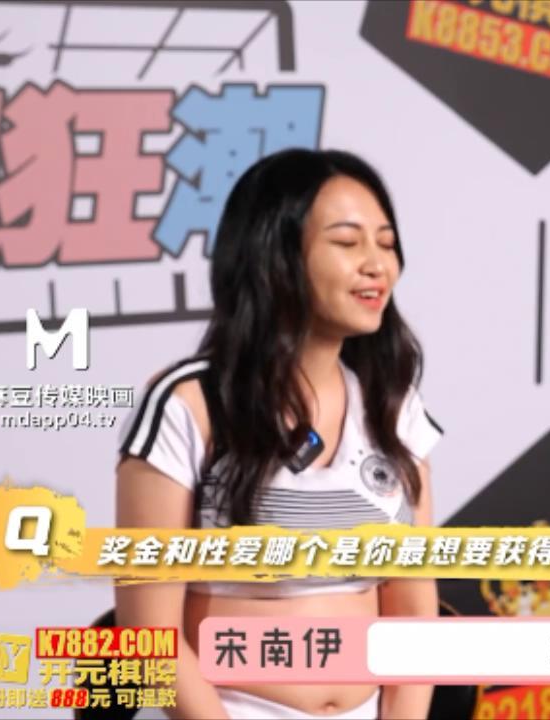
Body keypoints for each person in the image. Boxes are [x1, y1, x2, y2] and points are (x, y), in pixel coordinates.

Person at [115, 148, 442, 719]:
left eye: (386, 243)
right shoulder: (190, 405)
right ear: (275, 257)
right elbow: (150, 636)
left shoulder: (392, 405)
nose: (377, 265)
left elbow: (413, 609)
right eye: (348, 242)